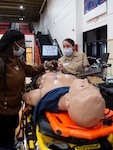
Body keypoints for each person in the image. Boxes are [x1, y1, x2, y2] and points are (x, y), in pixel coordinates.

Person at [0, 29, 54, 149]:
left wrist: (45, 65)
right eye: (22, 43)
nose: (24, 47)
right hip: (2, 114)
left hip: (13, 110)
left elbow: (29, 70)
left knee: (9, 137)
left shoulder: (16, 60)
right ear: (13, 44)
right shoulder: (1, 62)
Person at [22, 71, 105, 128]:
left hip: (43, 76)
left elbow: (27, 96)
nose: (86, 80)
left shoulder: (43, 95)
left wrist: (23, 95)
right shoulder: (74, 94)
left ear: (68, 100)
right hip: (62, 73)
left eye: (83, 86)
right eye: (91, 85)